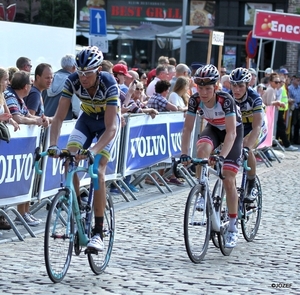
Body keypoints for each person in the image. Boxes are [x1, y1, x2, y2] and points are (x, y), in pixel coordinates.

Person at [48, 46, 120, 251]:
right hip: (86, 120)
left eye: (87, 73)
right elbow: (58, 118)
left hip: (107, 124)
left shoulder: (108, 83)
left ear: (98, 71)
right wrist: (53, 146)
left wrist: (94, 151)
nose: (83, 77)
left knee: (97, 170)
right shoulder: (72, 81)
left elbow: (111, 127)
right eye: (80, 72)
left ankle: (98, 231)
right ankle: (77, 206)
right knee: (69, 159)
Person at [180, 64, 243, 248]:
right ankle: (202, 189)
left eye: (208, 88)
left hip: (232, 132)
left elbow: (231, 134)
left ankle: (232, 226)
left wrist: (222, 156)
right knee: (201, 150)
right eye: (200, 88)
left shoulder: (226, 100)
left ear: (216, 87)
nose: (204, 92)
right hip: (214, 128)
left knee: (228, 178)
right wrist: (184, 154)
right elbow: (187, 129)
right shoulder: (194, 100)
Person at [4, 70, 49, 226]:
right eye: (30, 83)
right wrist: (35, 122)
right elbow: (17, 118)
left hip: (25, 147)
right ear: (25, 86)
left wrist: (40, 120)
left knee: (27, 177)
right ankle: (21, 212)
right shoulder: (10, 96)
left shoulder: (20, 99)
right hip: (15, 147)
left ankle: (25, 211)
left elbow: (27, 116)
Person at [228, 67, 268, 201]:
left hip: (257, 126)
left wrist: (247, 147)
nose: (236, 89)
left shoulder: (255, 98)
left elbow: (257, 127)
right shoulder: (228, 96)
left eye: (240, 86)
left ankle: (251, 185)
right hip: (242, 126)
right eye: (234, 85)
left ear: (247, 85)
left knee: (246, 145)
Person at [0, 67, 20, 230]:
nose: (8, 83)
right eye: (6, 80)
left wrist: (12, 122)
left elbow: (8, 114)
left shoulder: (2, 96)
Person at [43, 54, 80, 120]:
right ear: (74, 67)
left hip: (45, 121)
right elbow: (76, 109)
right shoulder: (73, 82)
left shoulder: (49, 79)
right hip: (64, 123)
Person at [289, 75, 300, 145]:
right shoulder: (290, 88)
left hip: (299, 108)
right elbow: (289, 98)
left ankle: (297, 139)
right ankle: (290, 139)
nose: (299, 82)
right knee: (292, 123)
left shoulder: (299, 88)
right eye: (298, 80)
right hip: (293, 108)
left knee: (298, 125)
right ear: (293, 80)